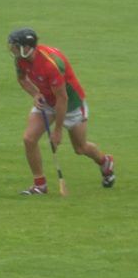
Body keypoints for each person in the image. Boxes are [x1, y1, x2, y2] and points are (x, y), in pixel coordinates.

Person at [7, 27, 114, 195]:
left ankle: (104, 161)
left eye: (15, 46)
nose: (12, 49)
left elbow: (62, 99)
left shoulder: (51, 64)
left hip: (71, 105)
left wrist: (57, 131)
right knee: (29, 139)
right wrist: (35, 94)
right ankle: (40, 185)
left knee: (80, 148)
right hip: (47, 101)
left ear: (27, 47)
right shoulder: (21, 59)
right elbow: (22, 79)